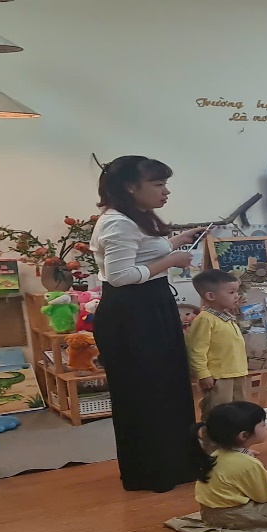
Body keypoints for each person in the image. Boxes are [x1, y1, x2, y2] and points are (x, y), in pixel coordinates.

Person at [91, 155, 208, 492]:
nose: (165, 191)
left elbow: (140, 253)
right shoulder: (118, 223)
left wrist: (175, 242)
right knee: (146, 393)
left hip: (149, 307)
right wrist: (170, 260)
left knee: (167, 387)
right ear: (131, 186)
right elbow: (120, 276)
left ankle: (177, 463)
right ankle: (154, 471)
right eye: (158, 184)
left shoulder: (134, 217)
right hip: (132, 315)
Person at [163, 402, 267, 532]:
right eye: (263, 424)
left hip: (208, 514)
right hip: (234, 517)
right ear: (244, 435)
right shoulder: (248, 464)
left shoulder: (216, 453)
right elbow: (264, 496)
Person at [187, 269, 249, 419]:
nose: (237, 295)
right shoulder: (205, 319)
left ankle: (234, 434)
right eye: (231, 292)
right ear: (210, 296)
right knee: (217, 414)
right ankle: (210, 435)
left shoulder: (226, 316)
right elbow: (196, 350)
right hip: (218, 378)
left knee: (239, 413)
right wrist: (203, 374)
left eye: (237, 291)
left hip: (237, 373)